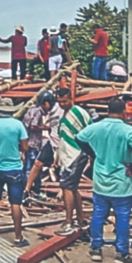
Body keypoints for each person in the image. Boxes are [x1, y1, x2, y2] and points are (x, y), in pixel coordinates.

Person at [78, 96, 132, 263]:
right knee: (122, 218)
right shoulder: (128, 130)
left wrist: (94, 154)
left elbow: (79, 138)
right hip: (121, 180)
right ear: (124, 112)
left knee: (98, 214)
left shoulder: (97, 127)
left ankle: (96, 248)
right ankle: (121, 253)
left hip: (100, 180)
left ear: (107, 110)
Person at [0, 99, 30, 246]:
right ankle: (18, 237)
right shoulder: (18, 125)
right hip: (14, 168)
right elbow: (25, 147)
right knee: (15, 203)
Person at [56, 87, 92, 235]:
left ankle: (69, 221)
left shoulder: (79, 113)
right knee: (73, 186)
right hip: (67, 155)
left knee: (67, 187)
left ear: (71, 99)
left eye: (64, 101)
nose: (62, 104)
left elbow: (90, 131)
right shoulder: (63, 115)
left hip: (76, 153)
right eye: (59, 102)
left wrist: (90, 152)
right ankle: (80, 218)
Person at [22, 90, 62, 199]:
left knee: (34, 165)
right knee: (35, 165)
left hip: (58, 143)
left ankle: (30, 190)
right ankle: (29, 190)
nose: (44, 107)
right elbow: (33, 126)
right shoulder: (39, 111)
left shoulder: (58, 110)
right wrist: (46, 127)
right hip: (36, 143)